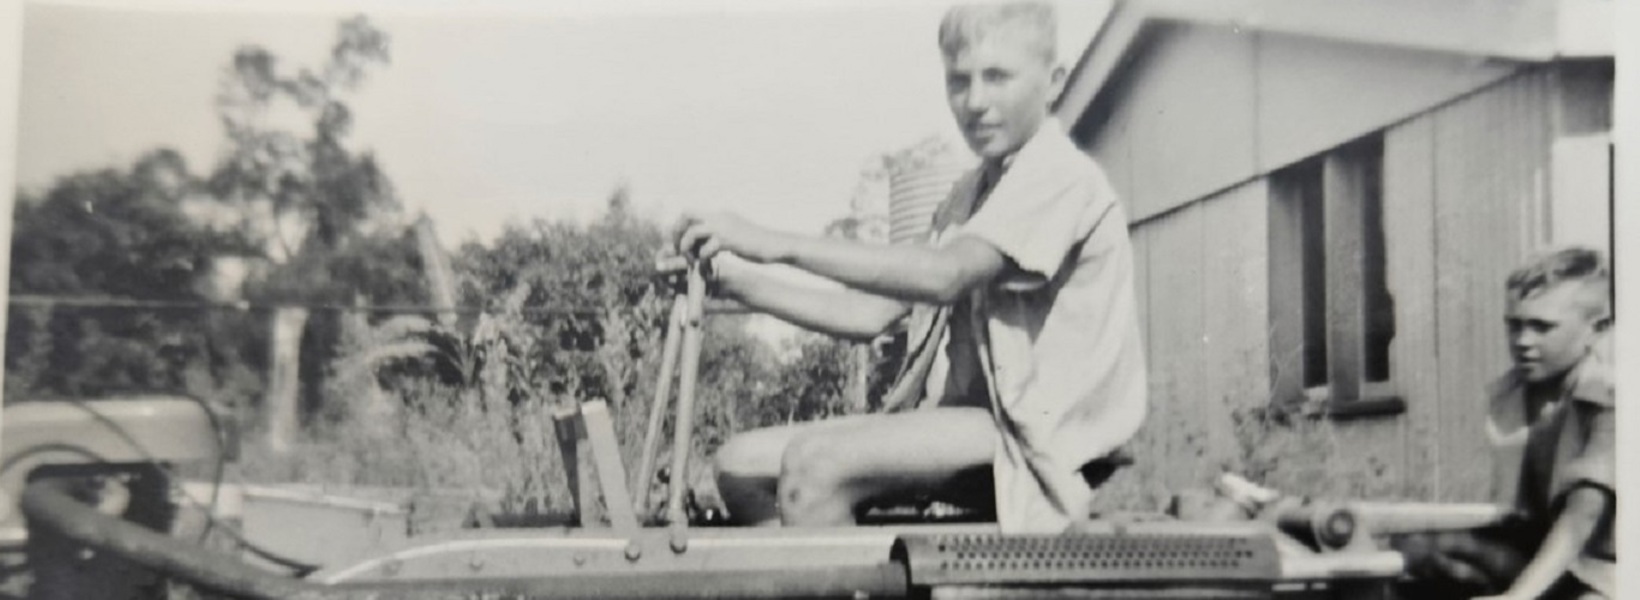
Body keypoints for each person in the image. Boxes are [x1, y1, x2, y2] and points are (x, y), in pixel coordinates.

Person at [672, 1, 1146, 533]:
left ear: (1053, 82)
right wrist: (736, 282)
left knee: (816, 466)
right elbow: (869, 313)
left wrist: (772, 242)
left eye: (997, 78)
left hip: (1044, 445)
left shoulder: (1057, 175)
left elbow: (946, 275)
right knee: (740, 466)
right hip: (975, 434)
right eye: (959, 82)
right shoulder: (972, 194)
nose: (976, 102)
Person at [1398, 247, 1615, 599]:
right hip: (1541, 561)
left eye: (1541, 327)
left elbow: (1582, 518)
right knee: (1415, 552)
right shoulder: (1512, 393)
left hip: (1606, 573)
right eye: (1514, 325)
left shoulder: (1611, 395)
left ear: (1598, 328)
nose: (1522, 341)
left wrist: (1517, 598)